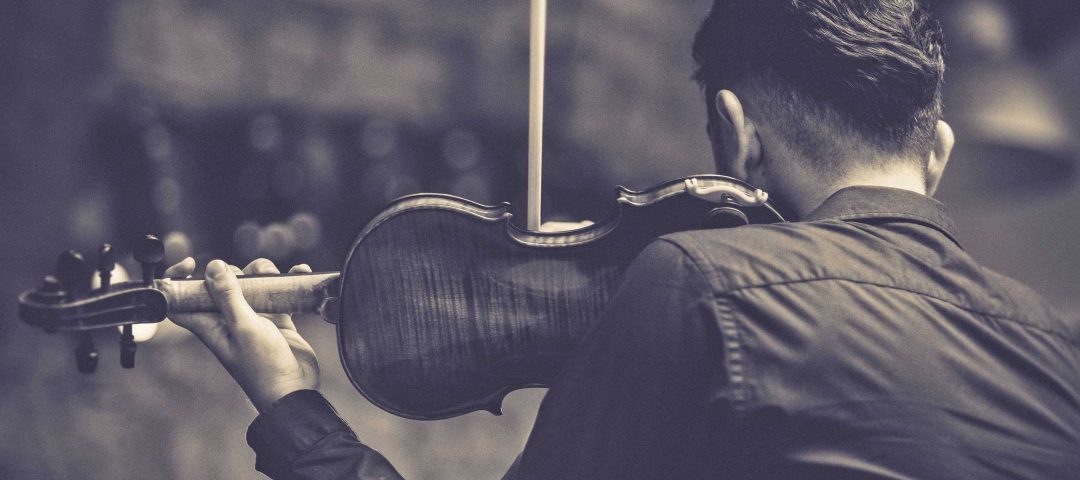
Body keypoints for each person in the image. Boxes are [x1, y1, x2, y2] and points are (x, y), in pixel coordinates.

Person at [166, 0, 1080, 478]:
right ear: (941, 150)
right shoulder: (1061, 355)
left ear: (736, 133)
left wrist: (289, 405)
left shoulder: (702, 283)